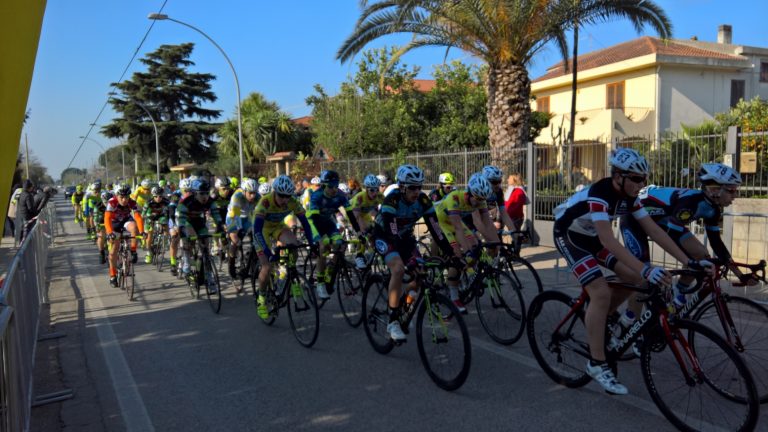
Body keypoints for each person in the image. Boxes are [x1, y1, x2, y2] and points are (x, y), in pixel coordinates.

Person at [553, 148, 712, 395]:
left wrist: (688, 261)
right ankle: (596, 364)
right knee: (601, 292)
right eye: (637, 179)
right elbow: (608, 240)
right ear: (618, 176)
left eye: (644, 179)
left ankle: (603, 318)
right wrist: (646, 269)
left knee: (636, 279)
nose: (642, 184)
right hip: (570, 236)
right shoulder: (600, 193)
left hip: (592, 238)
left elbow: (654, 231)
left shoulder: (631, 197)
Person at [621, 163, 752, 294]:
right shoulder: (689, 203)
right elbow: (670, 235)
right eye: (731, 190)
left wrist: (740, 275)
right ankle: (630, 314)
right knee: (641, 276)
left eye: (736, 190)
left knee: (701, 254)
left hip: (662, 221)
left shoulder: (713, 210)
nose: (735, 196)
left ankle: (678, 297)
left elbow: (716, 243)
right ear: (714, 189)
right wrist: (690, 262)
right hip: (634, 220)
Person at [372, 165, 453, 342]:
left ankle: (403, 307)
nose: (417, 191)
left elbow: (436, 230)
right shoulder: (392, 200)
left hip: (404, 238)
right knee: (399, 269)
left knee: (421, 274)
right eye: (412, 187)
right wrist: (408, 261)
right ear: (402, 187)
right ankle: (392, 321)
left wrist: (451, 254)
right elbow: (392, 232)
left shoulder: (423, 201)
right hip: (384, 236)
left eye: (419, 186)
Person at [252, 175, 315, 319]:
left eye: (288, 196)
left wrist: (312, 243)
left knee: (293, 245)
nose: (285, 199)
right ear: (275, 192)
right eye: (281, 196)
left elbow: (305, 223)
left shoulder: (292, 201)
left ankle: (285, 275)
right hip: (262, 231)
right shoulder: (265, 203)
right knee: (266, 266)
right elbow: (256, 231)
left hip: (278, 226)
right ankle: (261, 299)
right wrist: (267, 252)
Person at [434, 173, 498, 312]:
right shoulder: (455, 198)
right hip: (443, 224)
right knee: (458, 255)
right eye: (478, 198)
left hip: (457, 223)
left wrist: (495, 243)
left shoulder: (480, 200)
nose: (480, 201)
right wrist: (465, 251)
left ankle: (462, 279)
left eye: (483, 199)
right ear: (469, 193)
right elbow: (457, 228)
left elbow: (488, 223)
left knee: (476, 248)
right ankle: (454, 296)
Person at [307, 170, 349, 300]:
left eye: (336, 186)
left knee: (340, 245)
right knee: (323, 247)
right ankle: (320, 283)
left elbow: (351, 214)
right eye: (330, 186)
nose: (334, 189)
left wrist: (358, 232)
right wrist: (319, 238)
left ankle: (330, 270)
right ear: (324, 185)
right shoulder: (316, 196)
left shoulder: (340, 195)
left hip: (328, 223)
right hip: (314, 224)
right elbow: (313, 218)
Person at [176, 179, 224, 288]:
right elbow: (181, 221)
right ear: (194, 193)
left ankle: (209, 278)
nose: (205, 196)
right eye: (201, 193)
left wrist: (220, 226)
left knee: (206, 248)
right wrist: (183, 233)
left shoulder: (210, 201)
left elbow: (216, 215)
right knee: (189, 240)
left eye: (207, 193)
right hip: (186, 222)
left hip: (199, 221)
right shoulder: (186, 202)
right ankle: (186, 262)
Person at [104, 184, 145, 287]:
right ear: (117, 196)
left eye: (126, 197)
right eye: (121, 197)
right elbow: (107, 218)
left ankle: (133, 250)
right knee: (113, 252)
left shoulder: (132, 202)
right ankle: (112, 275)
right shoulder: (112, 202)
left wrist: (142, 231)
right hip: (114, 224)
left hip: (126, 221)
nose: (124, 200)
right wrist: (109, 233)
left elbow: (138, 217)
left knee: (134, 227)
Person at [345, 174, 383, 269]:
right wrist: (364, 231)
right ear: (366, 189)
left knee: (374, 234)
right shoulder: (360, 197)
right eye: (372, 190)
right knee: (365, 233)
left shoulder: (379, 196)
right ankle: (359, 257)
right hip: (352, 215)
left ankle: (371, 254)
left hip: (365, 215)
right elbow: (357, 217)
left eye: (377, 189)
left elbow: (386, 209)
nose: (375, 193)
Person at [225, 178, 259, 279]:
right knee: (235, 240)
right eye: (250, 193)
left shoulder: (258, 197)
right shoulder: (237, 196)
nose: (253, 196)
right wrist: (238, 229)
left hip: (247, 217)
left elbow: (261, 212)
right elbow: (235, 215)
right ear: (244, 191)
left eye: (254, 193)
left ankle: (252, 261)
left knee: (257, 236)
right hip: (233, 217)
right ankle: (231, 263)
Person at [142, 187, 170, 263]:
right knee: (149, 233)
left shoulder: (166, 201)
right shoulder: (148, 202)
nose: (158, 198)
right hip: (150, 216)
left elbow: (171, 211)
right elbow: (143, 214)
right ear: (153, 196)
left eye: (160, 196)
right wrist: (147, 216)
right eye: (156, 196)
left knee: (165, 223)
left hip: (161, 216)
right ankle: (148, 253)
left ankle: (165, 241)